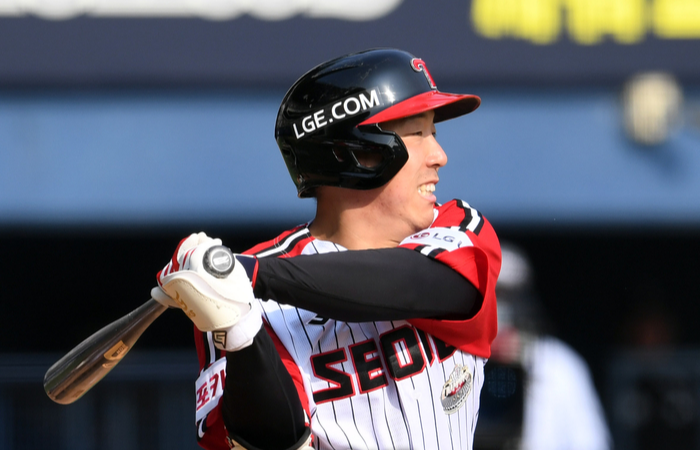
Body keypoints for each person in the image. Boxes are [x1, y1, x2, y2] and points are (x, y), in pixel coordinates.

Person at [151, 48, 501, 450]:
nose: (439, 156)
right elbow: (268, 439)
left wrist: (251, 274)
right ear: (355, 152)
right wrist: (239, 328)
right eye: (417, 133)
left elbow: (416, 284)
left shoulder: (459, 226)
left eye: (433, 133)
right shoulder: (241, 295)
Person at [474, 242, 611, 450]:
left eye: (506, 294)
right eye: (490, 292)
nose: (499, 305)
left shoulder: (558, 363)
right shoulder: (452, 358)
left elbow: (591, 443)